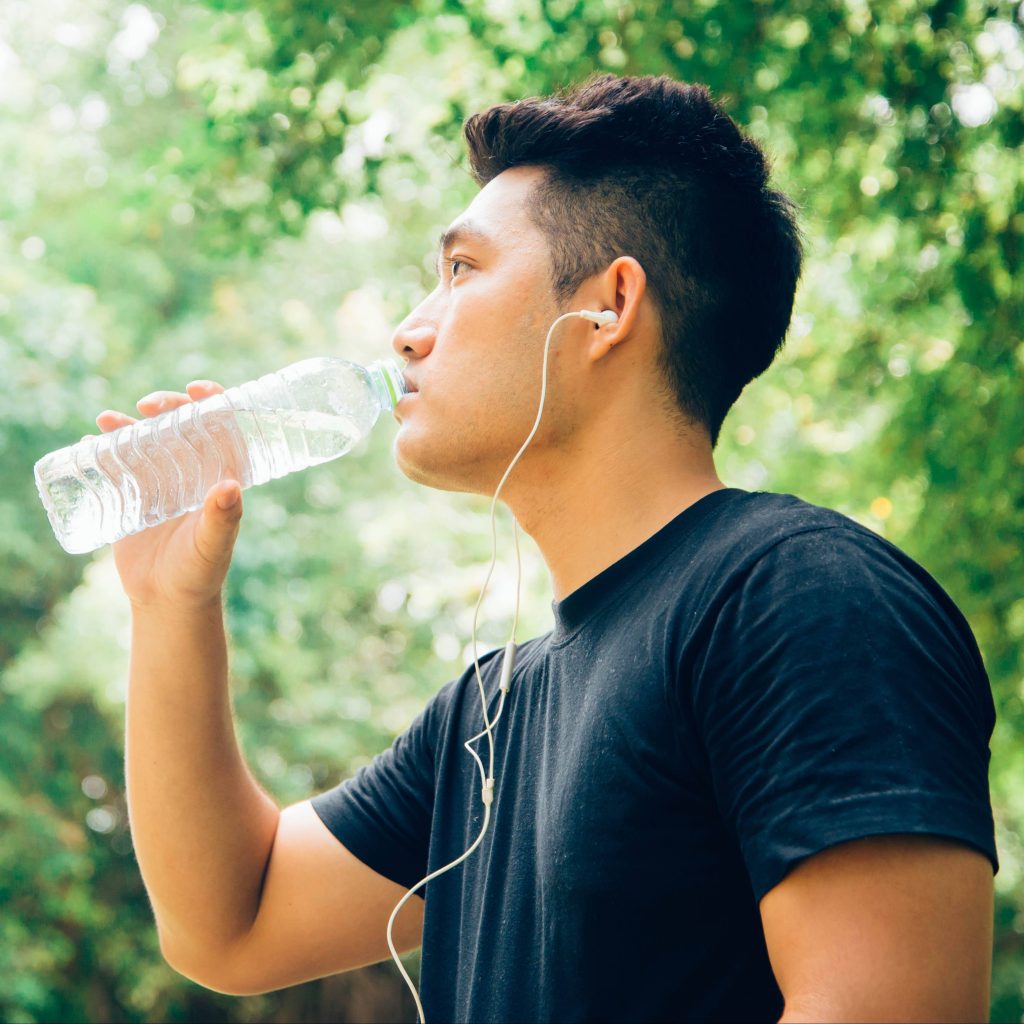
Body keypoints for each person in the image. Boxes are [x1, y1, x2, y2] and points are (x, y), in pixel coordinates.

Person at [98, 75, 997, 1022]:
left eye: (461, 271)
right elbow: (231, 924)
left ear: (608, 306)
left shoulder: (799, 598)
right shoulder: (483, 717)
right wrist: (170, 608)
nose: (408, 332)